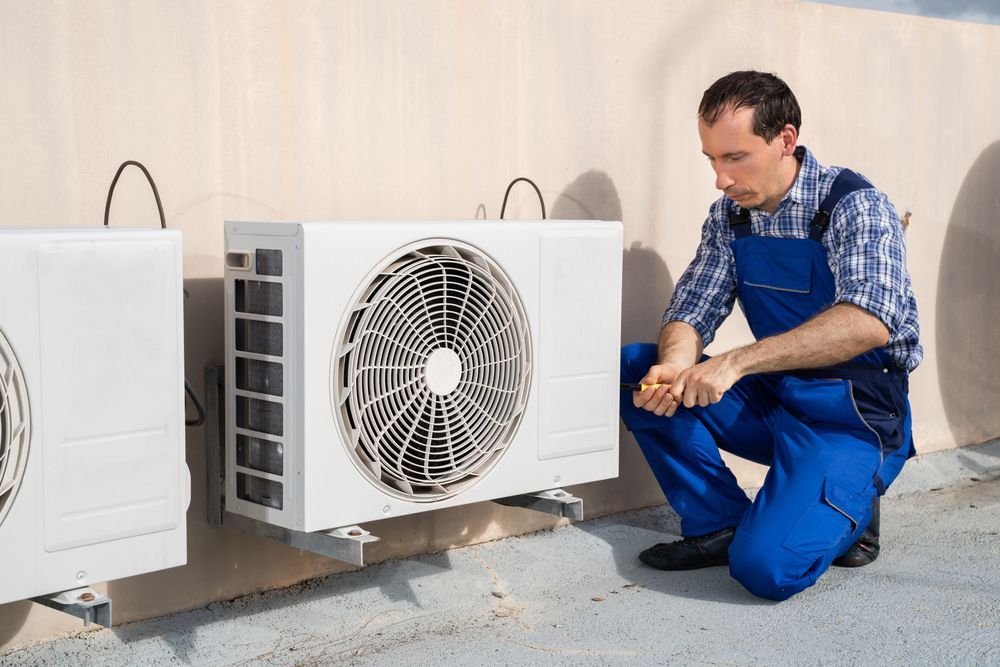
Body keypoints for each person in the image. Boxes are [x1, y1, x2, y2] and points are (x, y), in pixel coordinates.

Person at [620, 70, 921, 601]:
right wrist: (675, 364)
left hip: (853, 415)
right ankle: (718, 521)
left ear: (785, 140)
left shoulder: (855, 205)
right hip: (776, 397)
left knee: (765, 571)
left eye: (735, 158)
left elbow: (870, 319)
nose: (721, 178)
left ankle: (852, 506)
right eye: (712, 160)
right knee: (635, 370)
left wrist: (733, 364)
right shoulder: (730, 218)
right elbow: (691, 308)